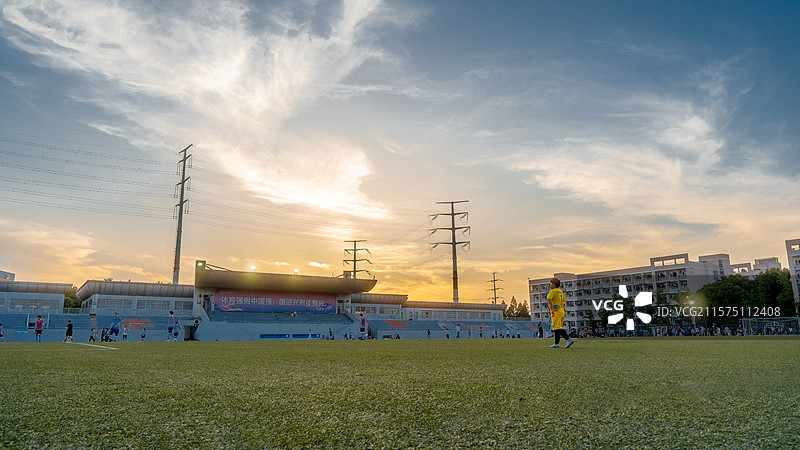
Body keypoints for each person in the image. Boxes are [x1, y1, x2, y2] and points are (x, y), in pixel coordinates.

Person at [546, 278, 574, 349]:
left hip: (556, 312)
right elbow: (564, 300)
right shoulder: (560, 291)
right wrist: (560, 305)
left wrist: (552, 304)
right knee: (558, 328)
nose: (550, 285)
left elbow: (548, 298)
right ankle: (556, 343)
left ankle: (568, 339)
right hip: (561, 310)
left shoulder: (553, 291)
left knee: (557, 328)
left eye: (551, 283)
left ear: (554, 284)